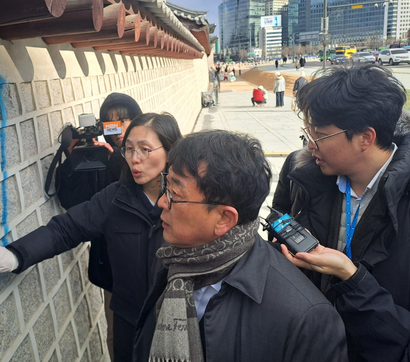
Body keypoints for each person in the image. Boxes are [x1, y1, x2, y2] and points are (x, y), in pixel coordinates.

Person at [0, 113, 182, 362]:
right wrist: (16, 255)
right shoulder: (115, 199)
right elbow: (66, 229)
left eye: (145, 150)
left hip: (177, 321)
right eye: (129, 149)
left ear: (170, 151)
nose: (135, 159)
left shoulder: (189, 201)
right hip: (129, 321)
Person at [133, 130, 348, 362]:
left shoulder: (307, 320)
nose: (162, 202)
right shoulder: (175, 259)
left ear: (225, 219)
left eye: (175, 193)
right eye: (166, 186)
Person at [270, 63, 410, 361]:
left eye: (319, 135)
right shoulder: (301, 171)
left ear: (365, 138)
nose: (310, 144)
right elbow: (278, 220)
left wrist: (350, 277)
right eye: (306, 132)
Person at [57, 92, 142, 359]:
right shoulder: (101, 157)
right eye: (110, 124)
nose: (118, 130)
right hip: (114, 268)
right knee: (117, 337)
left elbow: (139, 193)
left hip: (152, 262)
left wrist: (117, 159)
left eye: (124, 121)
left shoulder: (152, 150)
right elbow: (73, 201)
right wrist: (73, 162)